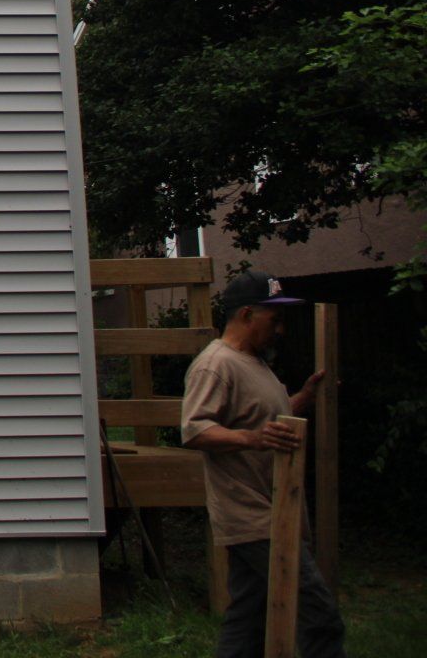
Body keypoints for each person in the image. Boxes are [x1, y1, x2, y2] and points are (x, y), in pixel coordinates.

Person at [180, 269, 345, 658]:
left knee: (249, 618)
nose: (280, 329)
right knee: (319, 614)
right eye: (275, 318)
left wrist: (305, 397)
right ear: (247, 315)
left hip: (275, 509)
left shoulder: (254, 362)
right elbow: (195, 429)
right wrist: (252, 439)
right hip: (252, 514)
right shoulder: (215, 365)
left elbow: (267, 419)